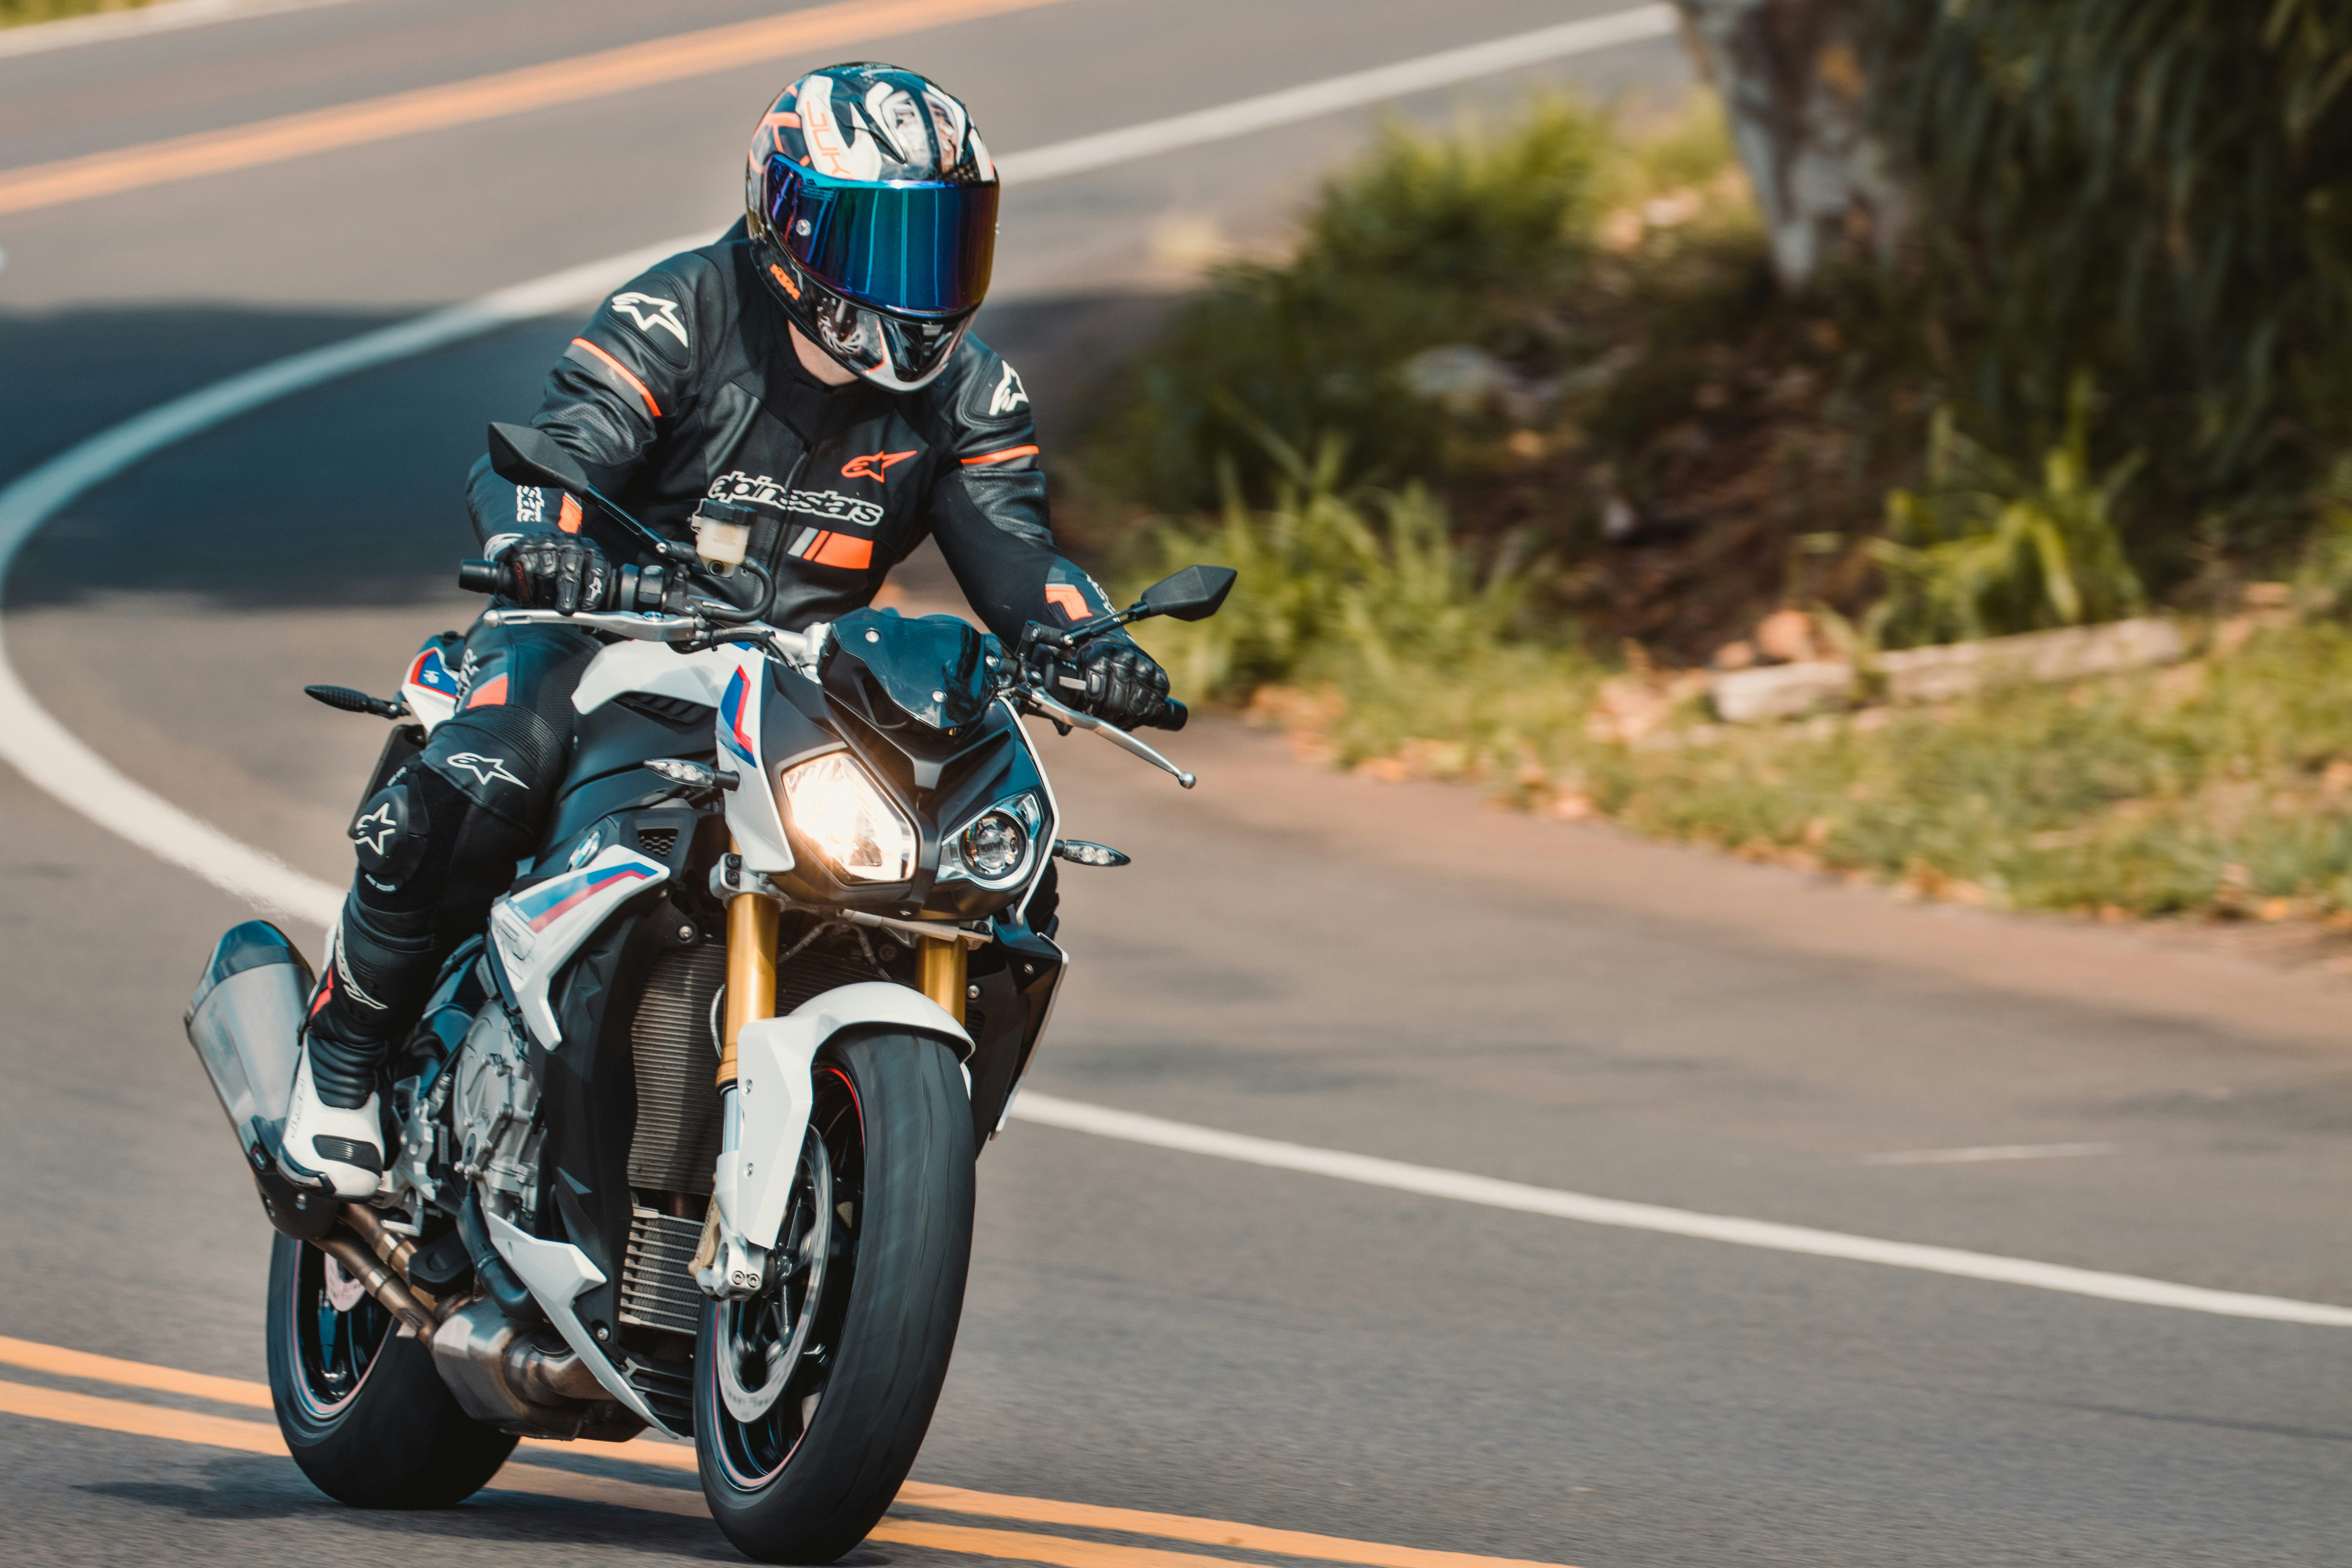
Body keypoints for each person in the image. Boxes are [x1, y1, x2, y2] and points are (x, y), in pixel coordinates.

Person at [279, 63, 1168, 1199]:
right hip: (599, 630)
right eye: (885, 243)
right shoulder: (682, 307)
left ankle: (879, 1166)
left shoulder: (971, 392)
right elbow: (569, 441)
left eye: (943, 242)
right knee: (490, 772)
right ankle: (344, 1067)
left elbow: (1017, 550)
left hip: (803, 682)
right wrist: (543, 538)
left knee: (996, 863)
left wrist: (1092, 646)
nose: (920, 280)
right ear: (792, 227)